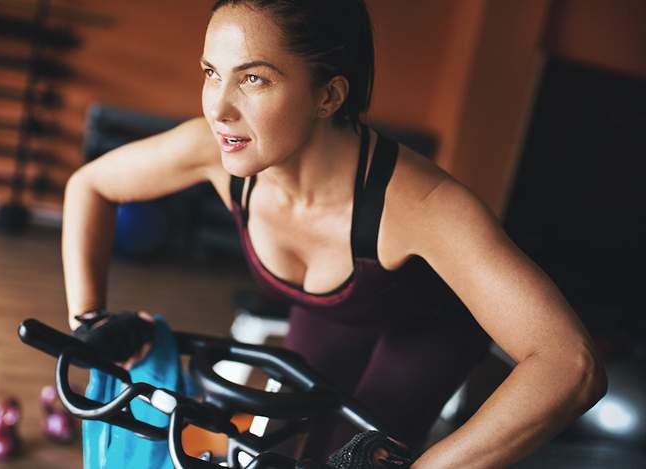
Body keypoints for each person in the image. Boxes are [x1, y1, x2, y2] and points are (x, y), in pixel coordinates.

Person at [61, 0, 607, 466]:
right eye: (211, 72)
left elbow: (571, 365)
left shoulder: (421, 204)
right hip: (329, 317)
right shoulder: (216, 153)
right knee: (279, 447)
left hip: (424, 337)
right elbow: (91, 186)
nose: (219, 108)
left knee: (343, 451)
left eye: (253, 78)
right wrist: (91, 323)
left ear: (329, 96)